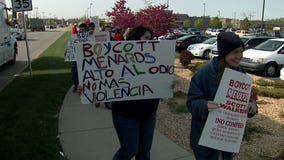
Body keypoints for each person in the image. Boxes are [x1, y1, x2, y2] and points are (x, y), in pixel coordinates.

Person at [186, 32, 258, 160]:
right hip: (205, 141)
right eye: (235, 52)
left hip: (227, 141)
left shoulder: (241, 74)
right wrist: (205, 105)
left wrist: (252, 106)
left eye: (241, 52)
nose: (239, 57)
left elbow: (247, 100)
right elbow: (191, 103)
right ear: (224, 54)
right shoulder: (204, 74)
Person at [111, 25, 159, 160]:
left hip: (149, 113)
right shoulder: (120, 57)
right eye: (147, 38)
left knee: (144, 151)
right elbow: (104, 78)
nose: (150, 41)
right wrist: (89, 88)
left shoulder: (155, 58)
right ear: (136, 37)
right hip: (126, 114)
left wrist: (167, 84)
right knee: (130, 149)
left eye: (152, 38)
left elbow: (158, 81)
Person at [72, 23, 88, 92]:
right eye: (80, 29)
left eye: (82, 30)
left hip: (86, 59)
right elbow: (72, 45)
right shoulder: (76, 37)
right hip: (76, 59)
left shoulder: (89, 37)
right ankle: (76, 85)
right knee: (75, 73)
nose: (80, 31)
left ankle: (85, 86)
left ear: (85, 30)